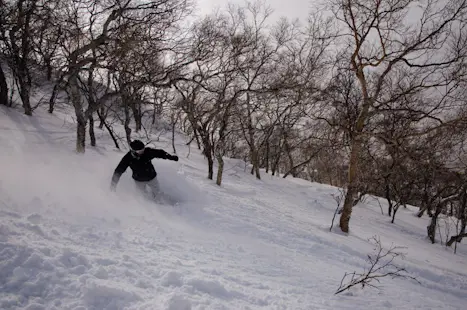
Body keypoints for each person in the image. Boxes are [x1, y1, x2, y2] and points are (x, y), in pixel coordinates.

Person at [110, 139, 179, 201]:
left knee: (157, 194)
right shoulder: (128, 158)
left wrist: (171, 157)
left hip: (152, 178)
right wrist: (113, 186)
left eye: (143, 149)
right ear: (133, 151)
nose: (142, 151)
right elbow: (118, 171)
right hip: (139, 181)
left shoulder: (147, 152)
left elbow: (160, 153)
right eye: (140, 151)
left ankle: (159, 204)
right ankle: (148, 209)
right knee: (142, 197)